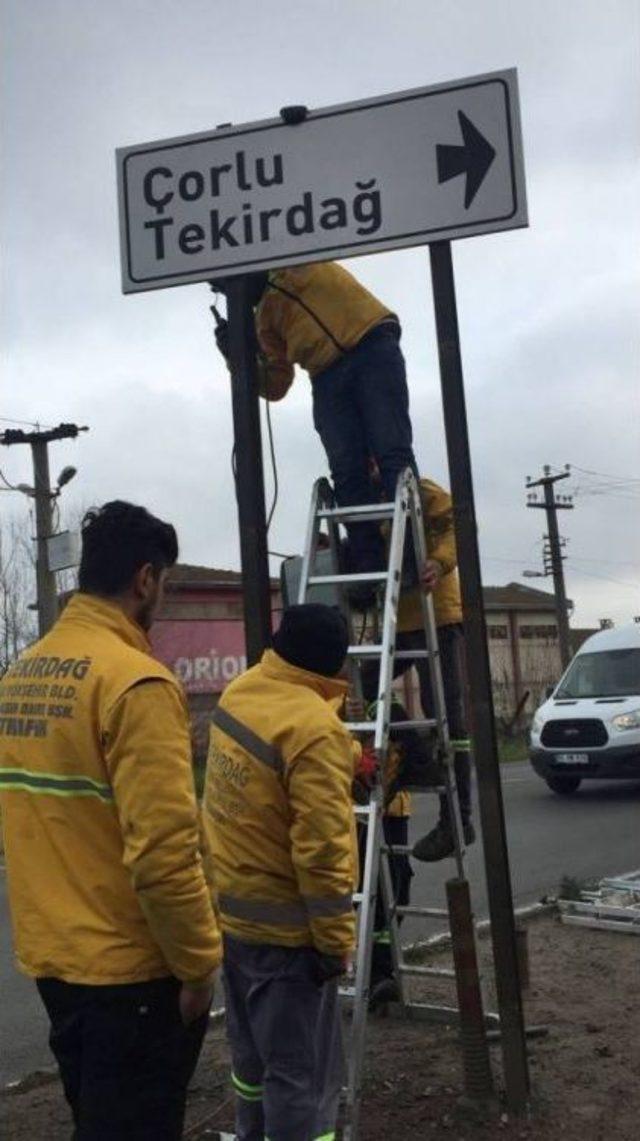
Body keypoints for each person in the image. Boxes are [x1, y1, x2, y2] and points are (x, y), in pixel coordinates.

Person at [0, 501, 221, 1140]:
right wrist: (200, 966)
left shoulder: (20, 674)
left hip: (56, 963)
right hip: (132, 977)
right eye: (165, 585)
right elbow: (164, 854)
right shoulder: (136, 683)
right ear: (145, 580)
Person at [202, 603, 358, 1141]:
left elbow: (269, 772)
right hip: (290, 942)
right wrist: (335, 943)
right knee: (302, 1079)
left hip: (235, 920)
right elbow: (322, 854)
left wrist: (347, 756)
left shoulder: (243, 690)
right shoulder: (315, 730)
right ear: (333, 667)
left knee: (252, 1066)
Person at [212, 261, 420, 599]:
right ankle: (368, 567)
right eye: (223, 290)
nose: (232, 294)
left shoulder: (294, 258)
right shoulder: (263, 317)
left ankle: (409, 557)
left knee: (391, 450)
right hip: (325, 375)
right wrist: (238, 356)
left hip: (371, 344)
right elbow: (276, 385)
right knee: (347, 471)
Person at [362, 476, 476, 862]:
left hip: (437, 615)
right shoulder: (366, 497)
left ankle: (457, 821)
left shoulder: (421, 490)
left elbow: (457, 525)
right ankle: (416, 758)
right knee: (361, 689)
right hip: (398, 619)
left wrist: (439, 561)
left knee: (443, 709)